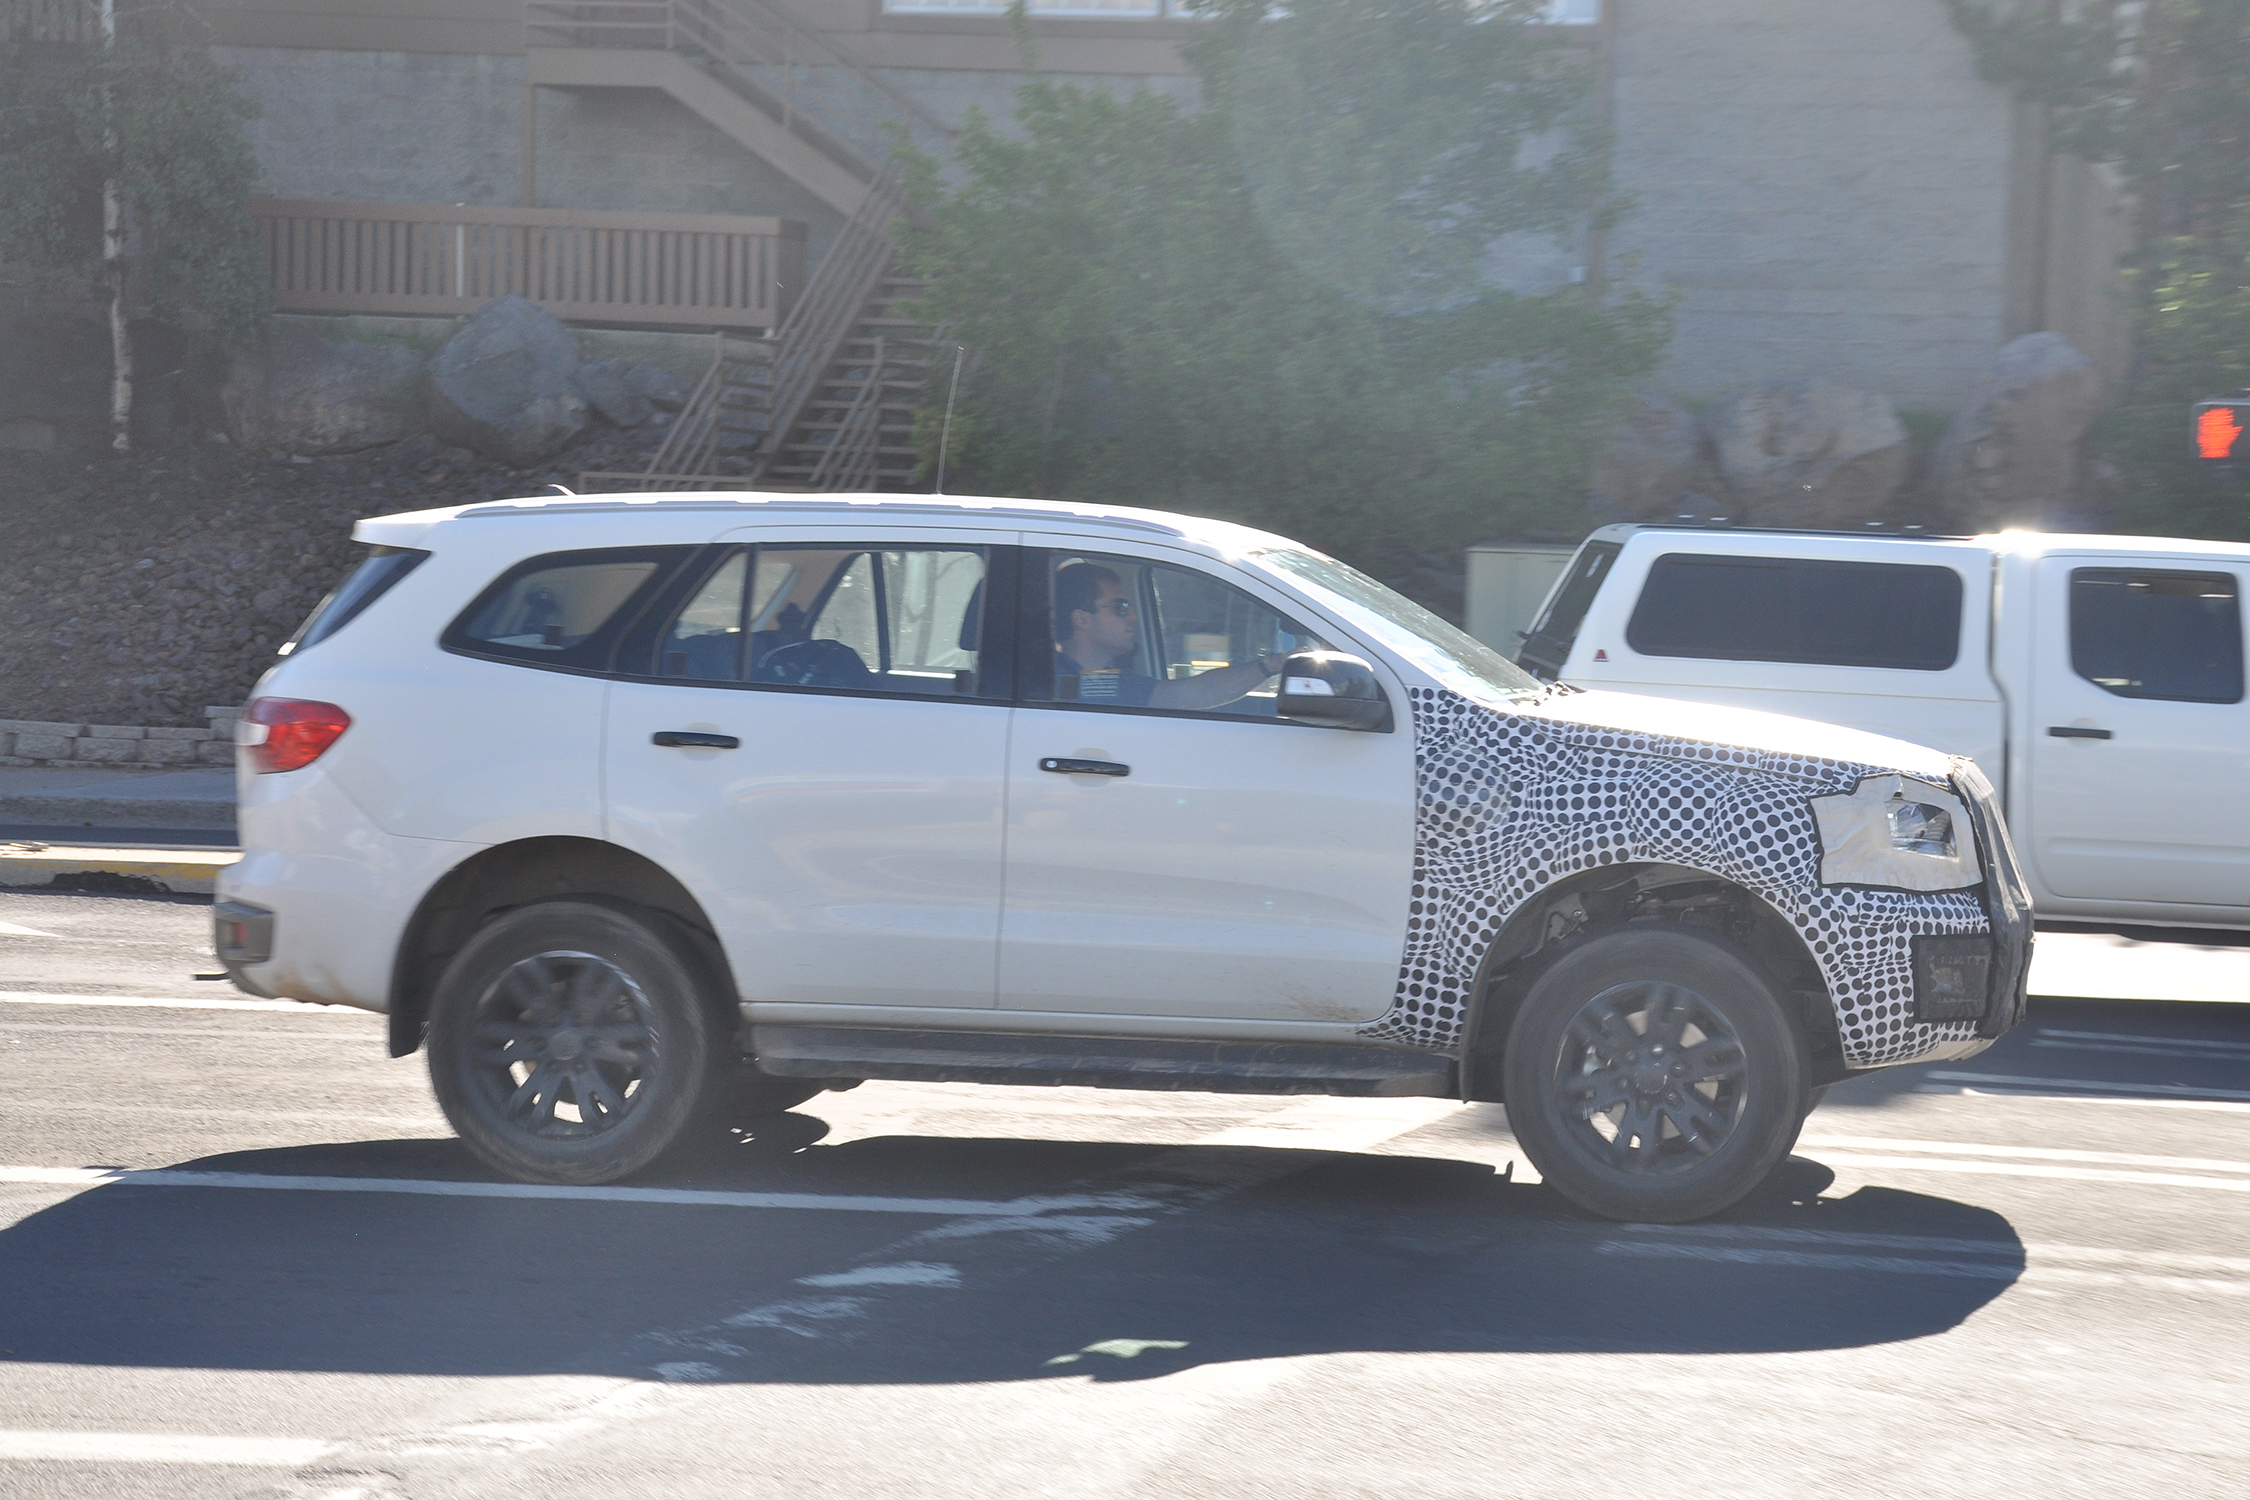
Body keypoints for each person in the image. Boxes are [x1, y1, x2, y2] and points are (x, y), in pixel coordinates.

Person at [1052, 562, 1289, 711]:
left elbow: (1196, 692)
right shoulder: (1044, 681)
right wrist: (1270, 665)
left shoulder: (1111, 682)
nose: (1132, 616)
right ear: (1082, 619)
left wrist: (1270, 665)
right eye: (1120, 607)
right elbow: (1195, 694)